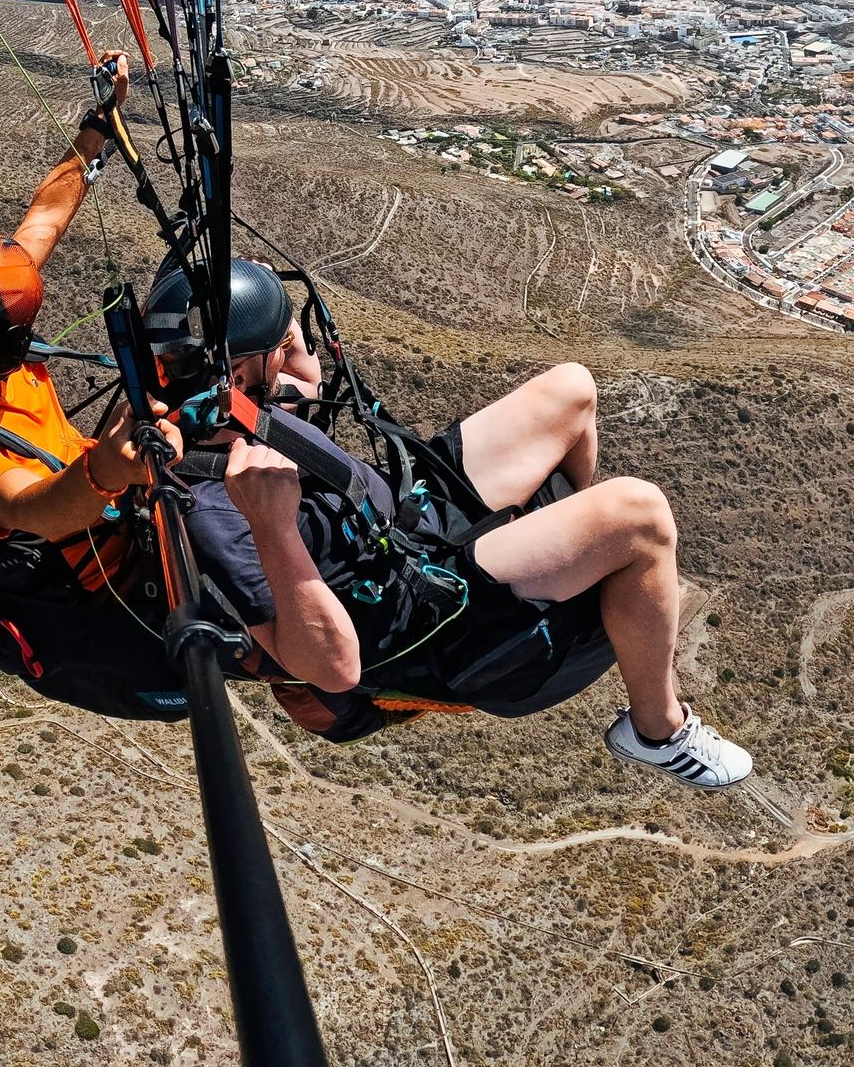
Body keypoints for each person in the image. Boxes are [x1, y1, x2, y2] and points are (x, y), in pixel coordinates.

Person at [152, 260, 753, 790]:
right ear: (237, 375)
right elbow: (332, 669)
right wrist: (275, 528)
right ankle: (656, 729)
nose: (292, 353)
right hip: (418, 604)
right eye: (279, 346)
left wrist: (270, 313)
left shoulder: (229, 409)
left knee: (572, 389)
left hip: (408, 517)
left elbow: (303, 381)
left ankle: (574, 565)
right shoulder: (217, 514)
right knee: (640, 514)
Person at [0, 52, 180, 594]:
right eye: (19, 331)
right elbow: (28, 507)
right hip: (110, 582)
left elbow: (44, 218)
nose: (28, 336)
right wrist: (105, 472)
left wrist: (100, 121)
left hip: (128, 504)